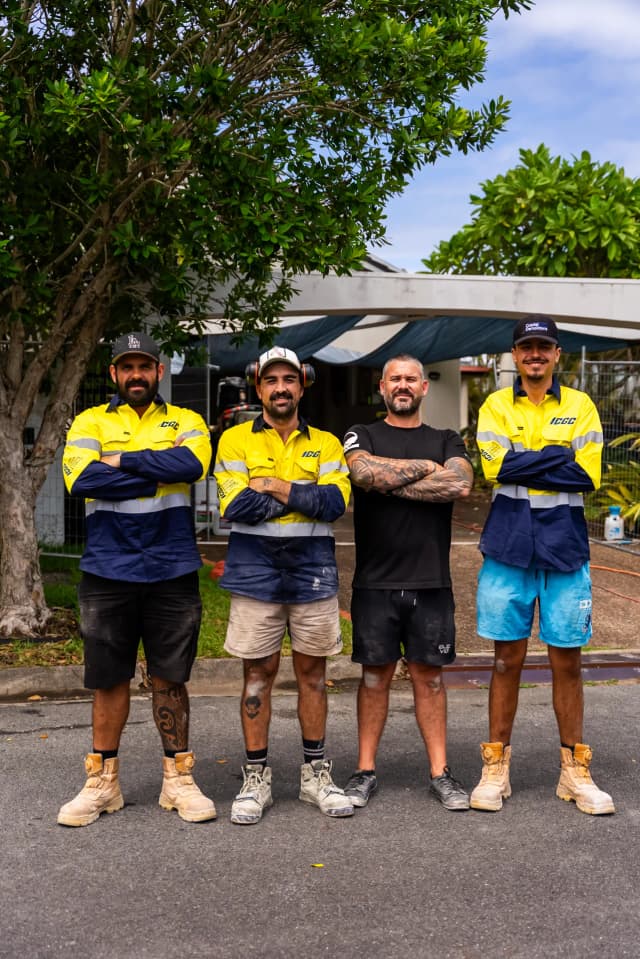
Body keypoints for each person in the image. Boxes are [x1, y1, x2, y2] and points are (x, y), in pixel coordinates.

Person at [58, 331, 216, 827]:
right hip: (108, 567)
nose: (136, 375)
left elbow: (191, 464)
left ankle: (179, 779)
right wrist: (157, 469)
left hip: (172, 566)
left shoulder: (186, 420)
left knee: (170, 677)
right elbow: (80, 480)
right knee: (108, 678)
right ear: (114, 374)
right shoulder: (90, 420)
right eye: (127, 367)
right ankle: (102, 783)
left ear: (158, 371)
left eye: (144, 366)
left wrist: (121, 460)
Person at [470, 315, 614, 815]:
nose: (535, 354)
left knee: (567, 663)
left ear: (557, 355)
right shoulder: (494, 405)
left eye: (544, 347)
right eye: (526, 346)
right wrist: (554, 455)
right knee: (505, 660)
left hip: (564, 550)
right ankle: (495, 768)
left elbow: (586, 473)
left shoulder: (581, 405)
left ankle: (575, 773)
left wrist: (527, 458)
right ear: (515, 354)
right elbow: (494, 468)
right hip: (508, 548)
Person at [214, 346, 353, 824]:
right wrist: (302, 496)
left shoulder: (329, 444)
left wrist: (272, 485)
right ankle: (257, 777)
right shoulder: (233, 440)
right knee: (258, 676)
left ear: (302, 385)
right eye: (270, 380)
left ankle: (315, 773)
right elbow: (234, 508)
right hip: (255, 572)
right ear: (258, 387)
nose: (280, 388)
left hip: (312, 572)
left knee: (314, 676)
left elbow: (334, 504)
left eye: (288, 379)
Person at [342, 354, 474, 811]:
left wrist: (390, 479)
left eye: (410, 379)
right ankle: (364, 771)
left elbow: (459, 485)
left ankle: (440, 773)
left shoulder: (446, 437)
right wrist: (427, 470)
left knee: (430, 679)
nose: (403, 385)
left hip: (431, 579)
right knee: (374, 678)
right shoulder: (363, 434)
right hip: (375, 581)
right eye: (395, 379)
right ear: (382, 387)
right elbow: (361, 472)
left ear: (423, 388)